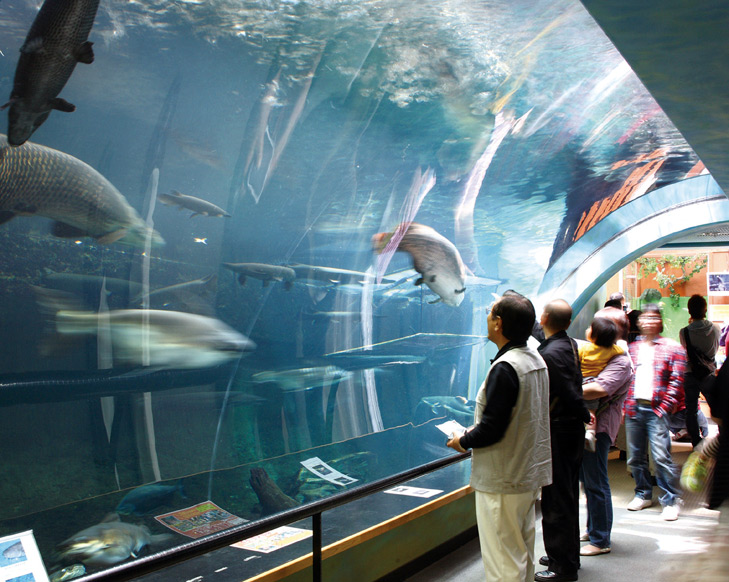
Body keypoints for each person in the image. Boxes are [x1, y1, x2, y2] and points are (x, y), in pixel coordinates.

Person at [447, 293, 551, 582]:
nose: (487, 317)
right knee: (520, 551)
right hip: (526, 472)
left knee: (504, 560)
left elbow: (492, 427)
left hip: (504, 477)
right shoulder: (534, 358)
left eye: (490, 312)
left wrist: (462, 441)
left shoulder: (506, 367)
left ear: (499, 323)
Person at [534, 299, 591, 582]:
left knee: (556, 499)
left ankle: (562, 566)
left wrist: (584, 413)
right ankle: (567, 553)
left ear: (544, 317)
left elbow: (569, 391)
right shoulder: (566, 343)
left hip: (560, 429)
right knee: (566, 494)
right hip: (571, 431)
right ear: (569, 323)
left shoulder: (550, 354)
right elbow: (541, 331)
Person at [624, 304, 685, 521]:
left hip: (656, 409)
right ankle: (643, 493)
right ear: (638, 322)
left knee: (661, 457)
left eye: (653, 318)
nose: (648, 321)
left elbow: (678, 380)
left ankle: (670, 499)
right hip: (633, 407)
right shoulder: (632, 348)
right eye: (645, 318)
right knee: (635, 457)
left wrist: (665, 407)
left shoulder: (672, 347)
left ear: (660, 321)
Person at [579, 307, 632, 557]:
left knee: (597, 481)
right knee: (588, 480)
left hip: (598, 428)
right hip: (587, 424)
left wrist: (564, 390)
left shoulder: (621, 359)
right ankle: (593, 528)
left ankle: (601, 539)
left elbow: (598, 389)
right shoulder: (598, 351)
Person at [678, 294, 721, 447]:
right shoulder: (716, 328)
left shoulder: (684, 332)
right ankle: (722, 437)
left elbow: (686, 352)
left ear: (689, 311)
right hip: (709, 374)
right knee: (716, 405)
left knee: (691, 409)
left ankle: (695, 441)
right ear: (705, 309)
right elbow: (715, 349)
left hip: (690, 373)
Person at [579, 318, 624, 450]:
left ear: (593, 335)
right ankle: (591, 433)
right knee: (591, 410)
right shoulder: (613, 350)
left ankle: (588, 432)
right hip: (593, 381)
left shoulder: (584, 348)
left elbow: (577, 357)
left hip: (582, 380)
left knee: (585, 411)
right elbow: (622, 351)